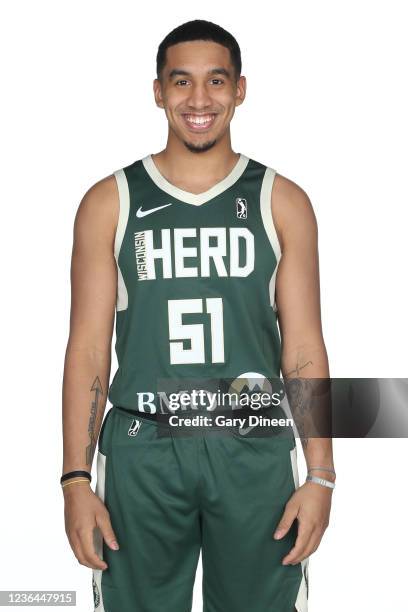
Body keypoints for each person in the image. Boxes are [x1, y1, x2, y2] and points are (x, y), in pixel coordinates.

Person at [61, 19, 335, 612]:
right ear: (158, 91)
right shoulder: (111, 201)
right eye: (181, 82)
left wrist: (321, 475)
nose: (199, 99)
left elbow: (304, 349)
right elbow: (87, 349)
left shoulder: (281, 200)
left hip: (252, 440)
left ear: (240, 89)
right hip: (143, 445)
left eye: (216, 80)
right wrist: (75, 480)